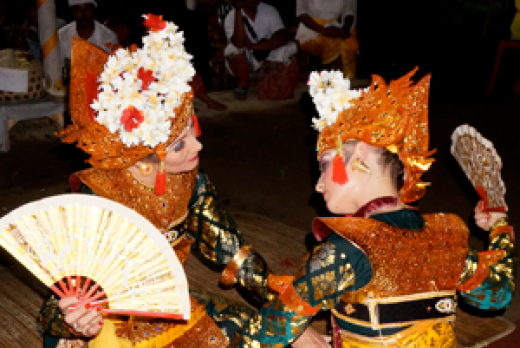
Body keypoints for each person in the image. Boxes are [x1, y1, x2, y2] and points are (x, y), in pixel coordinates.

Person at [225, 69, 515, 348]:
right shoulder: (447, 238)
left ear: (358, 154)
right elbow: (497, 295)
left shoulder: (346, 251)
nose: (318, 185)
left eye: (324, 165)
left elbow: (263, 336)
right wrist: (500, 225)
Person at [38, 15, 272, 348]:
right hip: (109, 323)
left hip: (167, 308)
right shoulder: (99, 202)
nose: (198, 145)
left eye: (193, 128)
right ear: (141, 158)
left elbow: (232, 252)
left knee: (253, 327)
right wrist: (75, 321)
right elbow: (50, 310)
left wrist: (287, 304)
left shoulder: (191, 180)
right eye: (179, 143)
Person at [224, 0, 300, 100]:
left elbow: (282, 36)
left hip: (268, 55)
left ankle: (272, 80)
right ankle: (243, 83)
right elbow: (239, 43)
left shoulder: (269, 10)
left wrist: (255, 46)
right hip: (249, 59)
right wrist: (238, 11)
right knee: (231, 51)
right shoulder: (231, 16)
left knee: (291, 47)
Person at [295, 0, 359, 79]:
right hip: (311, 31)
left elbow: (349, 11)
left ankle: (346, 80)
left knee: (351, 43)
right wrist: (325, 31)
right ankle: (329, 78)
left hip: (334, 28)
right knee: (333, 43)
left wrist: (345, 28)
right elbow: (302, 14)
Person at [58, 0, 118, 70]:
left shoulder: (109, 38)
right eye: (78, 9)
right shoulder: (61, 37)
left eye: (88, 8)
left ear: (94, 10)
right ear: (72, 13)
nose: (84, 14)